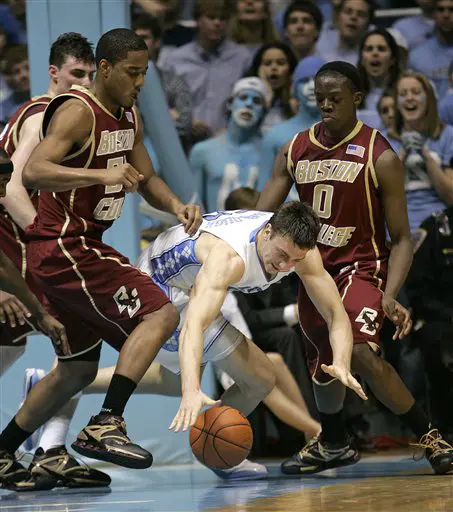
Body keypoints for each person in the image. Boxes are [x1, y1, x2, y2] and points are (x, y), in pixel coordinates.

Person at [0, 28, 202, 482]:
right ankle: (106, 423)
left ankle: (3, 450)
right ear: (105, 69)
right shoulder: (77, 112)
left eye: (144, 73)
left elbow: (145, 175)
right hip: (64, 245)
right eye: (132, 73)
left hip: (77, 246)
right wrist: (98, 174)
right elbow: (32, 170)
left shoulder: (129, 116)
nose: (139, 82)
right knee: (161, 316)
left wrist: (175, 205)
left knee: (76, 369)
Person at [256, 60, 453, 475]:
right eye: (320, 99)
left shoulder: (380, 155)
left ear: (357, 99)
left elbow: (401, 239)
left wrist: (390, 293)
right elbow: (260, 215)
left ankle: (431, 436)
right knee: (324, 363)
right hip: (312, 270)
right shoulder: (294, 149)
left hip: (362, 267)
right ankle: (333, 442)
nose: (326, 106)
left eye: (335, 99)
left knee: (359, 352)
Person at [0, 33, 111, 489]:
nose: (84, 84)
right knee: (72, 348)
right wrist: (44, 237)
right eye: (75, 75)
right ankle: (47, 448)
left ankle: (48, 449)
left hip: (23, 251)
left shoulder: (65, 114)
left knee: (67, 351)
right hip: (23, 248)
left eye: (90, 75)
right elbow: (12, 187)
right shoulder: (45, 114)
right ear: (54, 74)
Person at [385, 71, 453, 234]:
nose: (409, 98)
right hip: (396, 228)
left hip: (438, 226)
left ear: (428, 99)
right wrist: (401, 156)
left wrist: (426, 156)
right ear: (397, 103)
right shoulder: (382, 140)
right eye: (403, 94)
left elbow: (451, 197)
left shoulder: (448, 135)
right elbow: (378, 197)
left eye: (416, 93)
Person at [406, 206, 453, 439]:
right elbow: (417, 291)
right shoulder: (435, 228)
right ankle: (444, 428)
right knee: (438, 340)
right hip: (440, 317)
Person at [190, 76, 267, 212]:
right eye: (243, 98)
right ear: (230, 104)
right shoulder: (203, 151)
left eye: (256, 101)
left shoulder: (270, 153)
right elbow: (192, 204)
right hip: (212, 230)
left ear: (263, 111)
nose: (249, 104)